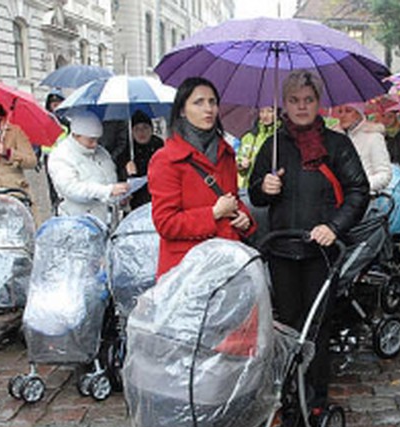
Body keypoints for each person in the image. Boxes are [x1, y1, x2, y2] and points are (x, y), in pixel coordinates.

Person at [248, 70, 370, 409]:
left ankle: (315, 396)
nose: (301, 107)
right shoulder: (273, 145)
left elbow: (359, 191)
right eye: (294, 100)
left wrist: (334, 226)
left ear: (318, 103)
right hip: (282, 248)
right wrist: (264, 187)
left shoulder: (336, 144)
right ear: (284, 104)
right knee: (286, 323)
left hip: (321, 251)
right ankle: (287, 391)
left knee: (317, 324)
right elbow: (256, 195)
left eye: (308, 100)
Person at [149, 77, 254, 278]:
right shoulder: (166, 160)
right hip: (186, 271)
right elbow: (166, 223)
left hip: (227, 265)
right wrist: (213, 213)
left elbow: (232, 200)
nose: (209, 109)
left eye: (212, 102)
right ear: (182, 110)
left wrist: (244, 219)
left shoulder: (226, 153)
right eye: (199, 102)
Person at [47, 110, 128, 224]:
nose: (95, 144)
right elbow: (71, 188)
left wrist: (119, 196)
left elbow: (109, 177)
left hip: (107, 219)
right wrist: (107, 191)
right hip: (79, 221)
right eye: (91, 140)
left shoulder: (101, 152)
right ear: (76, 135)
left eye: (97, 139)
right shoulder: (61, 155)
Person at [333, 103, 391, 192]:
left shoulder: (373, 137)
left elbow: (384, 174)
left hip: (364, 199)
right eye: (340, 111)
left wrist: (361, 185)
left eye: (348, 111)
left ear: (359, 114)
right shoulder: (335, 138)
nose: (342, 115)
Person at [116, 110, 164, 211]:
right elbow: (119, 182)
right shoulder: (127, 152)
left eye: (145, 128)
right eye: (137, 129)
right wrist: (126, 172)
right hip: (136, 205)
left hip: (158, 199)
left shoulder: (160, 147)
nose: (141, 132)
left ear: (151, 129)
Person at [236, 106, 280, 189]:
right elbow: (238, 162)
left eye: (270, 111)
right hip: (247, 188)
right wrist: (241, 165)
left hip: (270, 189)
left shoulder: (281, 137)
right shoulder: (249, 137)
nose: (265, 115)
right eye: (262, 111)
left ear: (277, 113)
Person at [40, 88, 69, 212]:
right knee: (52, 184)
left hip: (65, 156)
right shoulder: (45, 120)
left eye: (58, 104)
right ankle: (55, 204)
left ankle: (64, 203)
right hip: (49, 156)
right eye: (54, 104)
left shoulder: (66, 121)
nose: (56, 106)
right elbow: (38, 138)